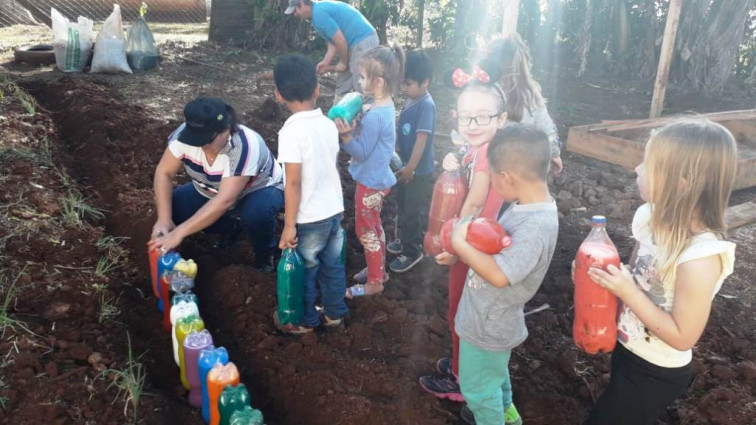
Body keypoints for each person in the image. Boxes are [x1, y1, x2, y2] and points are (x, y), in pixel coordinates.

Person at [584, 119, 737, 425]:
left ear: (680, 182)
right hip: (628, 349)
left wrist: (626, 290)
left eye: (647, 163)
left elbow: (683, 336)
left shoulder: (700, 258)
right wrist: (599, 272)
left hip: (656, 372)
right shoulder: (651, 220)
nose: (637, 169)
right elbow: (636, 276)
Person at [456, 124, 558, 425]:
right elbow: (498, 246)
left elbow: (500, 275)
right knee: (494, 374)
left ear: (506, 178)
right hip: (492, 316)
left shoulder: (536, 226)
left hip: (489, 323)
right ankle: (507, 413)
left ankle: (490, 417)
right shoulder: (527, 206)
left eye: (492, 182)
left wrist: (460, 245)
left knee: (477, 389)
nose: (493, 189)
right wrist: (470, 247)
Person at [419, 61, 508, 401]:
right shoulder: (478, 147)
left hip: (473, 247)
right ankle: (461, 363)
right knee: (460, 310)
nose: (472, 124)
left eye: (483, 117)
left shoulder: (486, 153)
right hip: (470, 241)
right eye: (465, 117)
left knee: (462, 313)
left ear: (501, 119)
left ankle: (462, 381)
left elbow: (473, 205)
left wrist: (455, 245)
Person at [148, 97, 284, 272]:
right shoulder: (183, 137)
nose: (201, 145)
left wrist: (178, 233)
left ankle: (264, 257)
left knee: (257, 214)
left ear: (226, 130)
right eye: (196, 139)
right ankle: (230, 227)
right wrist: (164, 220)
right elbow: (164, 172)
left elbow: (225, 200)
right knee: (174, 206)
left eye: (207, 140)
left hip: (259, 188)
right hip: (210, 188)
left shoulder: (244, 146)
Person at [273, 54, 348, 334]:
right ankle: (334, 315)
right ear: (317, 89)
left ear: (278, 95)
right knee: (333, 267)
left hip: (309, 217)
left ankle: (305, 321)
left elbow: (293, 183)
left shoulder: (290, 133)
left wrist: (289, 226)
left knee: (306, 270)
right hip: (333, 211)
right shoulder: (328, 125)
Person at [334, 45, 405, 298]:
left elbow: (361, 151)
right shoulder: (381, 106)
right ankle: (379, 270)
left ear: (379, 81)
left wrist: (345, 135)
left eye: (363, 77)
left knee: (365, 231)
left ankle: (375, 282)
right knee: (375, 228)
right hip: (378, 179)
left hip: (371, 184)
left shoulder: (377, 115)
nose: (359, 81)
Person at [387, 50, 436, 273]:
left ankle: (412, 251)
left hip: (418, 170)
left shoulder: (426, 105)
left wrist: (411, 168)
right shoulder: (412, 98)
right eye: (402, 84)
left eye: (408, 84)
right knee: (403, 205)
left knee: (412, 211)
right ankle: (405, 240)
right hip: (407, 166)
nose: (404, 88)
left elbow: (421, 139)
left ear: (425, 82)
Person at [486, 33, 563, 175]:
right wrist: (555, 154)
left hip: (486, 165)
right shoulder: (531, 95)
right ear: (524, 65)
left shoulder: (483, 90)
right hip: (520, 168)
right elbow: (547, 130)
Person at [285, 0, 379, 98]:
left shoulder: (319, 13)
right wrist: (326, 61)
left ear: (301, 4)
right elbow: (333, 42)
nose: (295, 15)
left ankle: (372, 111)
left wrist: (343, 63)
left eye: (295, 11)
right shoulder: (316, 14)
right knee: (342, 84)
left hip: (363, 39)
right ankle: (338, 112)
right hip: (353, 43)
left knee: (361, 83)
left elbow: (340, 41)